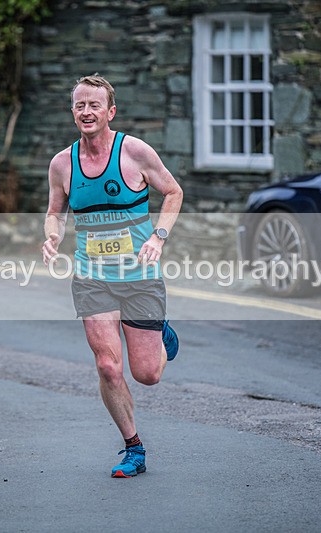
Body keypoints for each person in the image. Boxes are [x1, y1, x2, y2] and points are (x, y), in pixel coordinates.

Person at [42, 74, 184, 477]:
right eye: (80, 105)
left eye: (95, 105)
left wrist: (158, 237)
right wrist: (52, 238)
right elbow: (55, 212)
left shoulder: (134, 152)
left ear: (110, 111)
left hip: (139, 275)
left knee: (148, 374)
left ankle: (162, 334)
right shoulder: (62, 163)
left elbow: (173, 192)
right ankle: (133, 447)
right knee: (107, 365)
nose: (87, 112)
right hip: (91, 277)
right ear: (74, 112)